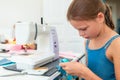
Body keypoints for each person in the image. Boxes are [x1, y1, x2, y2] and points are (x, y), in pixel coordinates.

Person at [59, 0, 120, 80]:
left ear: (100, 17)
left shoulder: (116, 44)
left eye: (84, 29)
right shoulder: (88, 42)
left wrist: (83, 72)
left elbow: (88, 74)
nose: (80, 34)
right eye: (78, 30)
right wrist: (76, 72)